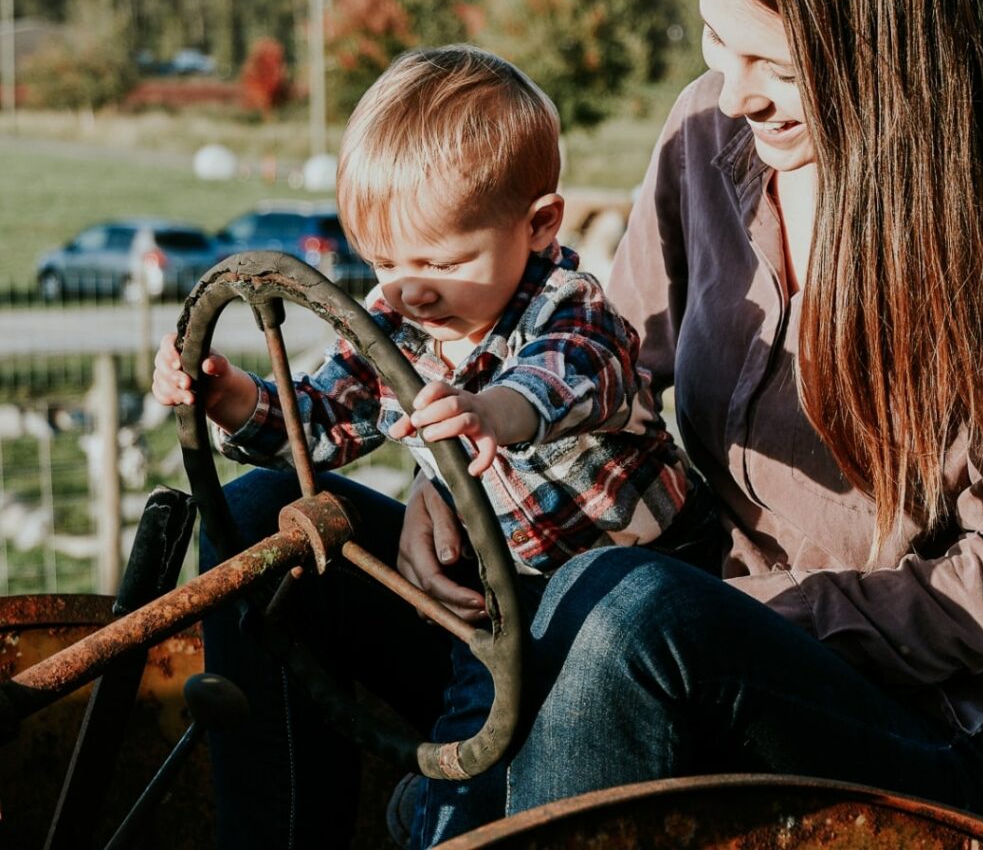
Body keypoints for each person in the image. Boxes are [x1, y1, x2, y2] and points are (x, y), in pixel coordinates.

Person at [420, 0, 983, 830]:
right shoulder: (707, 135)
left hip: (934, 730)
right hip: (701, 625)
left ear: (888, 51)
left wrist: (765, 618)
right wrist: (456, 467)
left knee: (628, 609)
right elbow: (597, 356)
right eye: (716, 40)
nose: (732, 91)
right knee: (284, 521)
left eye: (770, 62)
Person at [152, 45, 700, 847]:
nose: (409, 288)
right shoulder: (404, 326)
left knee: (473, 788)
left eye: (441, 260)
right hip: (493, 610)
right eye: (385, 260)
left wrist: (490, 411)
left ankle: (438, 815)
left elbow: (568, 382)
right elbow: (322, 416)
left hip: (626, 605)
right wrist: (233, 397)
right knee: (459, 734)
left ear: (540, 225)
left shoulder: (574, 313)